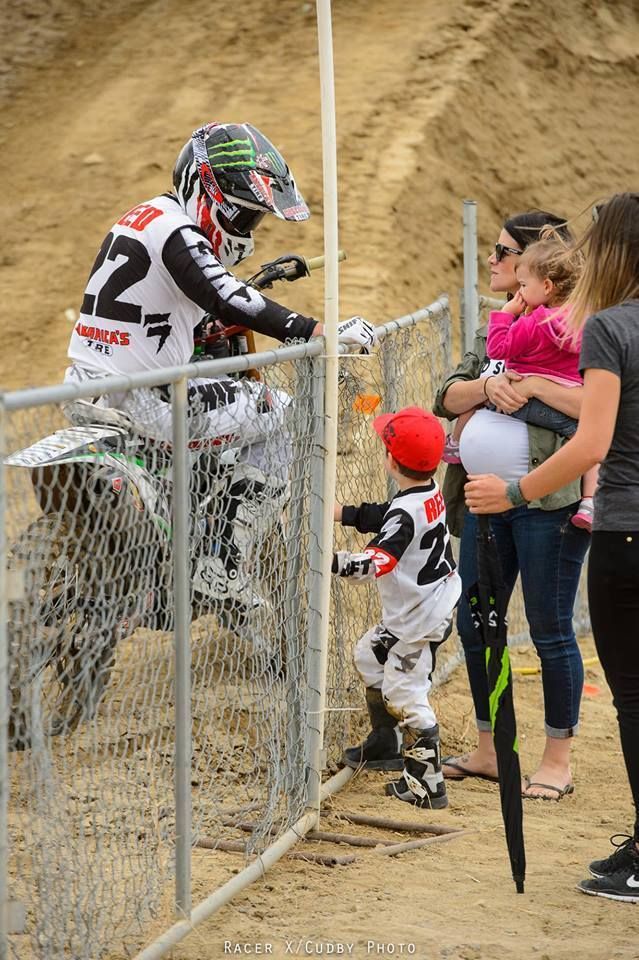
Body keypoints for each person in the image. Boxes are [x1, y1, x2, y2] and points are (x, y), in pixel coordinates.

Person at [63, 121, 376, 603]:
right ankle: (223, 562)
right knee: (285, 412)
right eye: (243, 219)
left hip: (85, 385)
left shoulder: (144, 217)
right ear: (205, 191)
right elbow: (226, 295)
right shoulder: (178, 232)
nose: (247, 232)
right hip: (150, 400)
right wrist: (317, 330)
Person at [465, 192, 639, 901]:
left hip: (625, 529)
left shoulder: (610, 328)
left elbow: (590, 442)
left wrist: (514, 492)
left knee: (630, 696)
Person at [433, 210, 591, 800]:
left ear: (538, 269)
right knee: (477, 623)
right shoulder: (497, 324)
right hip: (482, 504)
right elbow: (448, 393)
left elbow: (597, 409)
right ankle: (492, 748)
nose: (494, 262)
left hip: (550, 503)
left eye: (504, 253)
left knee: (550, 631)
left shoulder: (577, 325)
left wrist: (529, 389)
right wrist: (487, 388)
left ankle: (556, 760)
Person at [332, 407, 461, 809]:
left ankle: (427, 785)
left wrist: (331, 561)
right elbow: (388, 518)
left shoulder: (407, 511)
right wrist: (344, 514)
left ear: (390, 461)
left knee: (406, 693)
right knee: (368, 655)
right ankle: (385, 744)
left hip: (420, 621)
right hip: (422, 608)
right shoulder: (425, 491)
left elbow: (381, 558)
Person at [485, 236, 598, 532]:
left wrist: (505, 315)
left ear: (546, 287)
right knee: (588, 438)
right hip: (568, 396)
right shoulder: (583, 321)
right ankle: (590, 500)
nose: (518, 293)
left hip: (526, 402)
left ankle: (456, 443)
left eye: (523, 286)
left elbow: (497, 348)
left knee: (484, 398)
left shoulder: (533, 323)